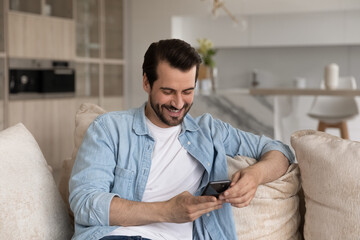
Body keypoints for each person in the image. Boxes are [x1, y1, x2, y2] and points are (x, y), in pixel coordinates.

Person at [69, 39, 295, 240]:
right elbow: (85, 203)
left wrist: (255, 175)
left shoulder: (210, 132)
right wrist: (167, 211)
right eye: (168, 91)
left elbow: (279, 151)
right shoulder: (109, 129)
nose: (178, 103)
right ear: (147, 83)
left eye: (187, 91)